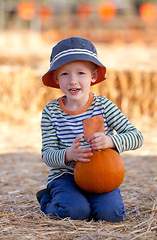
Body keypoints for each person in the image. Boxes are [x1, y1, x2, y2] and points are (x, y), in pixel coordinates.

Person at [36, 37, 143, 222]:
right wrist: (69, 154)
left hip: (101, 176)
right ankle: (47, 200)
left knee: (112, 215)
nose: (73, 81)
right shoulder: (51, 112)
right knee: (75, 212)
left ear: (93, 76)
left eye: (81, 73)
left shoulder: (104, 106)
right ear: (55, 78)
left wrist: (110, 141)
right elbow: (48, 155)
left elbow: (137, 137)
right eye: (65, 74)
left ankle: (89, 202)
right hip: (65, 177)